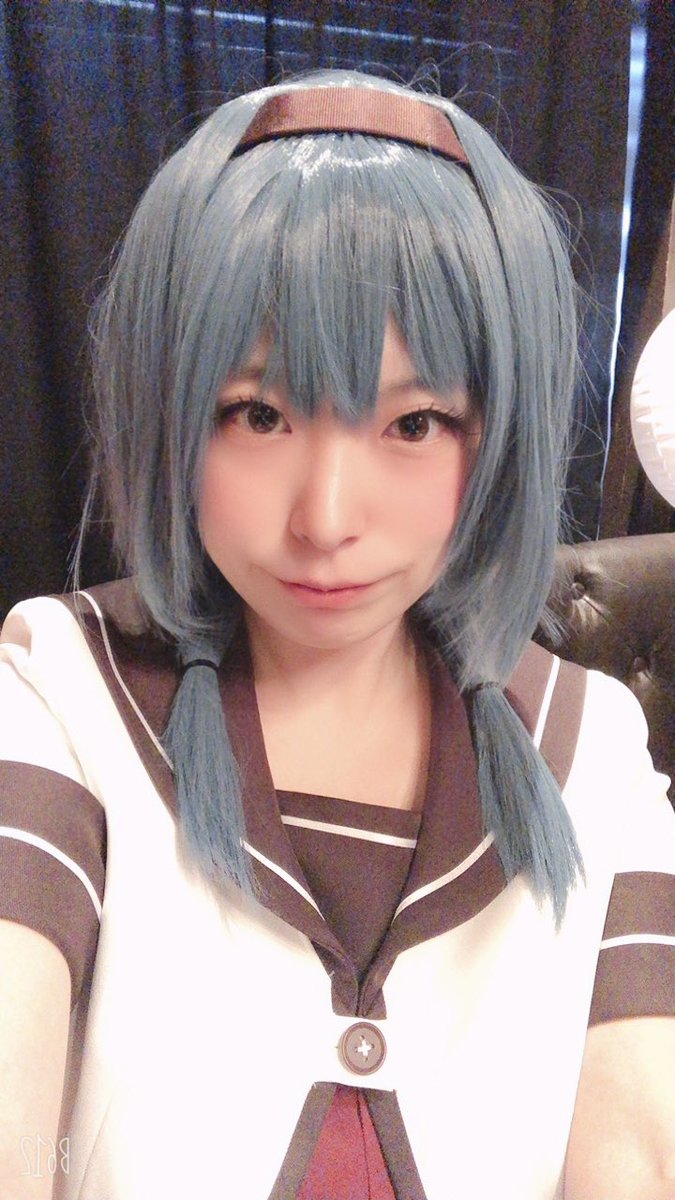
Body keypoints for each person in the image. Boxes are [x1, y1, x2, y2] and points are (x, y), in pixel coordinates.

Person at [0, 69, 673, 1200]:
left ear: (497, 437)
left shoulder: (592, 751)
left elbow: (638, 1152)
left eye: (415, 423)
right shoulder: (59, 694)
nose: (324, 520)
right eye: (257, 413)